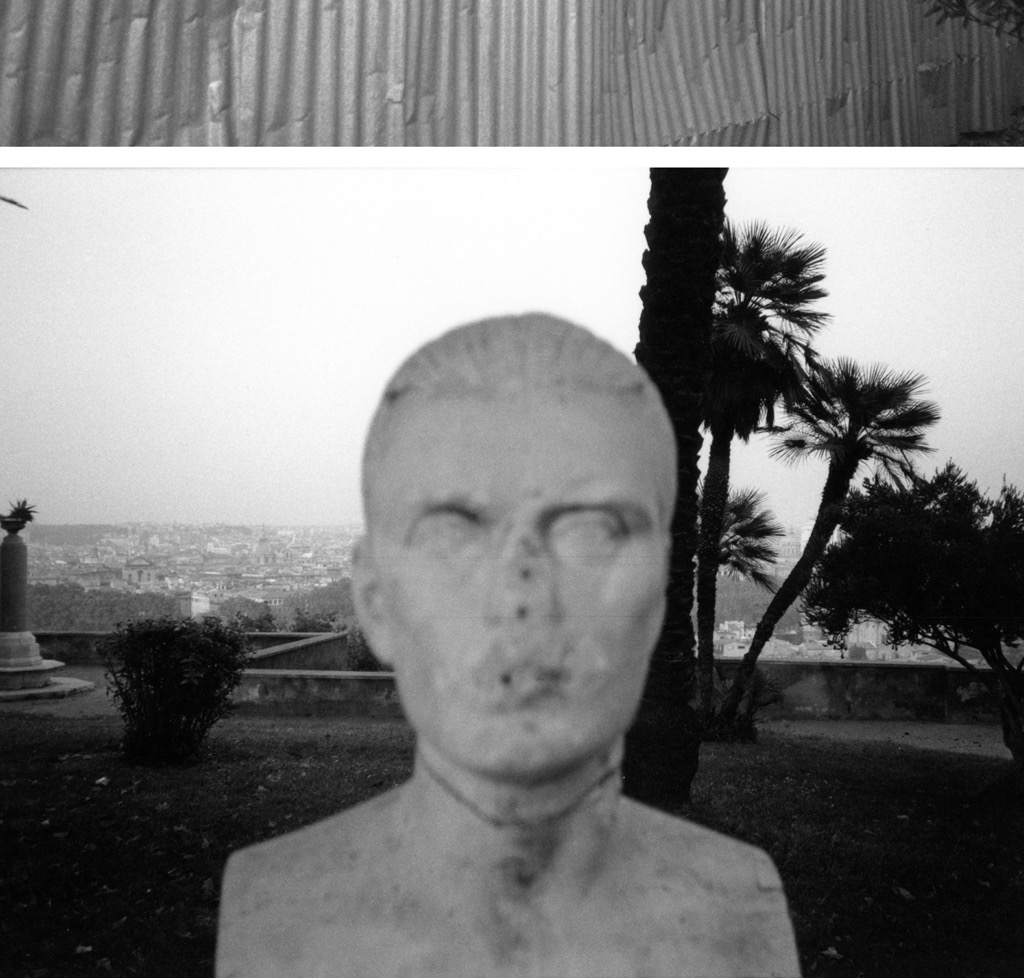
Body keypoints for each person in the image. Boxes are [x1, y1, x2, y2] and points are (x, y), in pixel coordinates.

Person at [217, 314, 801, 978]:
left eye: (594, 530)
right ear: (376, 600)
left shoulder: (738, 917)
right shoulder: (276, 911)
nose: (521, 597)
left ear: (659, 595)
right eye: (454, 532)